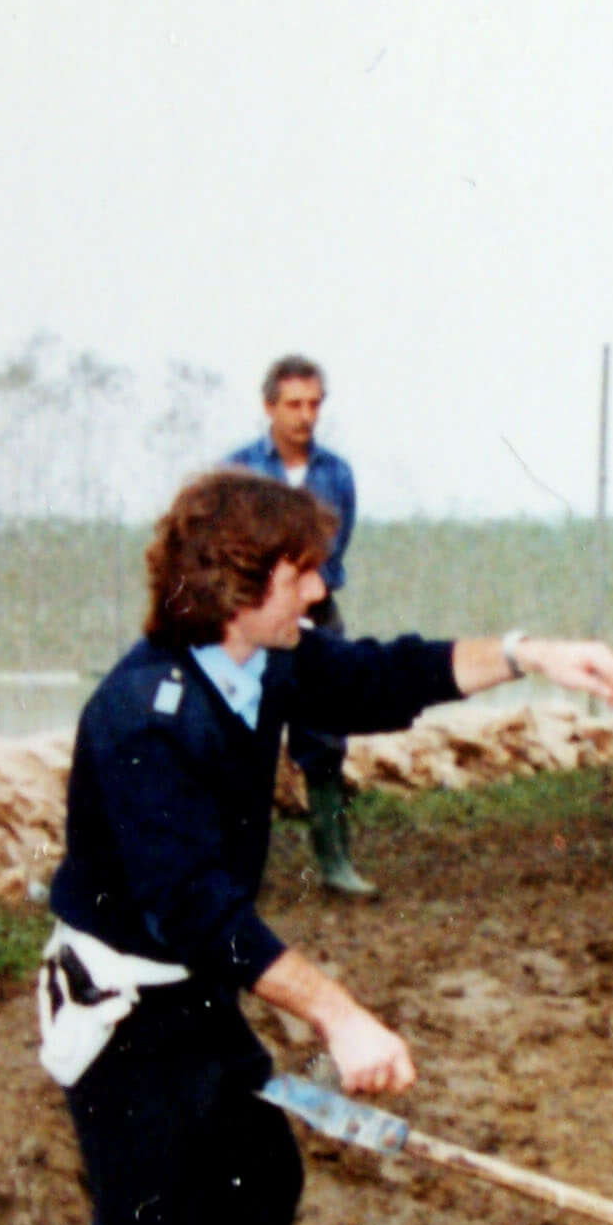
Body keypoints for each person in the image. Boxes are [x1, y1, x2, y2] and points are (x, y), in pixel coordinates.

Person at [37, 468, 613, 1225]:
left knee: (258, 1181)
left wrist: (528, 655)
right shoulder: (143, 715)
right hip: (124, 1009)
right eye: (303, 572)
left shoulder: (259, 669)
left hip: (196, 994)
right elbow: (197, 909)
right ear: (237, 584)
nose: (319, 590)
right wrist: (338, 1016)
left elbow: (381, 673)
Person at [223, 355, 374, 896]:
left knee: (325, 737)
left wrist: (311, 592)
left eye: (314, 405)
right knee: (244, 737)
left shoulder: (336, 474)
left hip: (316, 620)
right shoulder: (238, 470)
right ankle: (239, 870)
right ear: (269, 407)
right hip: (256, 623)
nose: (305, 416)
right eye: (293, 404)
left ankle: (334, 864)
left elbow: (338, 549)